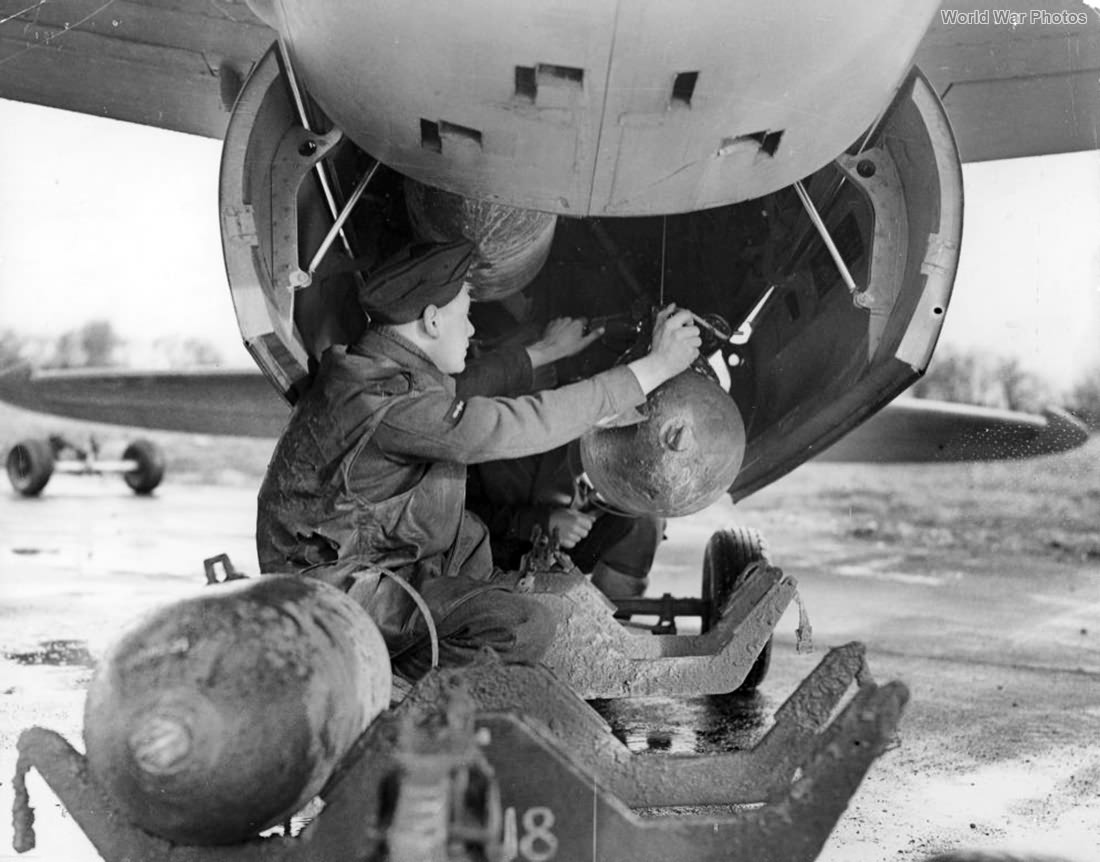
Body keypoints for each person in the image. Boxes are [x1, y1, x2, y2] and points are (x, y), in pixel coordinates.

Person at [257, 239, 700, 680]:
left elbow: (462, 388)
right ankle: (398, 693)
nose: (470, 331)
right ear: (432, 320)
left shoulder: (371, 372)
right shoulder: (387, 408)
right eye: (465, 316)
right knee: (525, 625)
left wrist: (545, 352)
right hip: (337, 594)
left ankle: (419, 653)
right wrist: (654, 369)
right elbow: (510, 424)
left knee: (467, 536)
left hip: (354, 562)